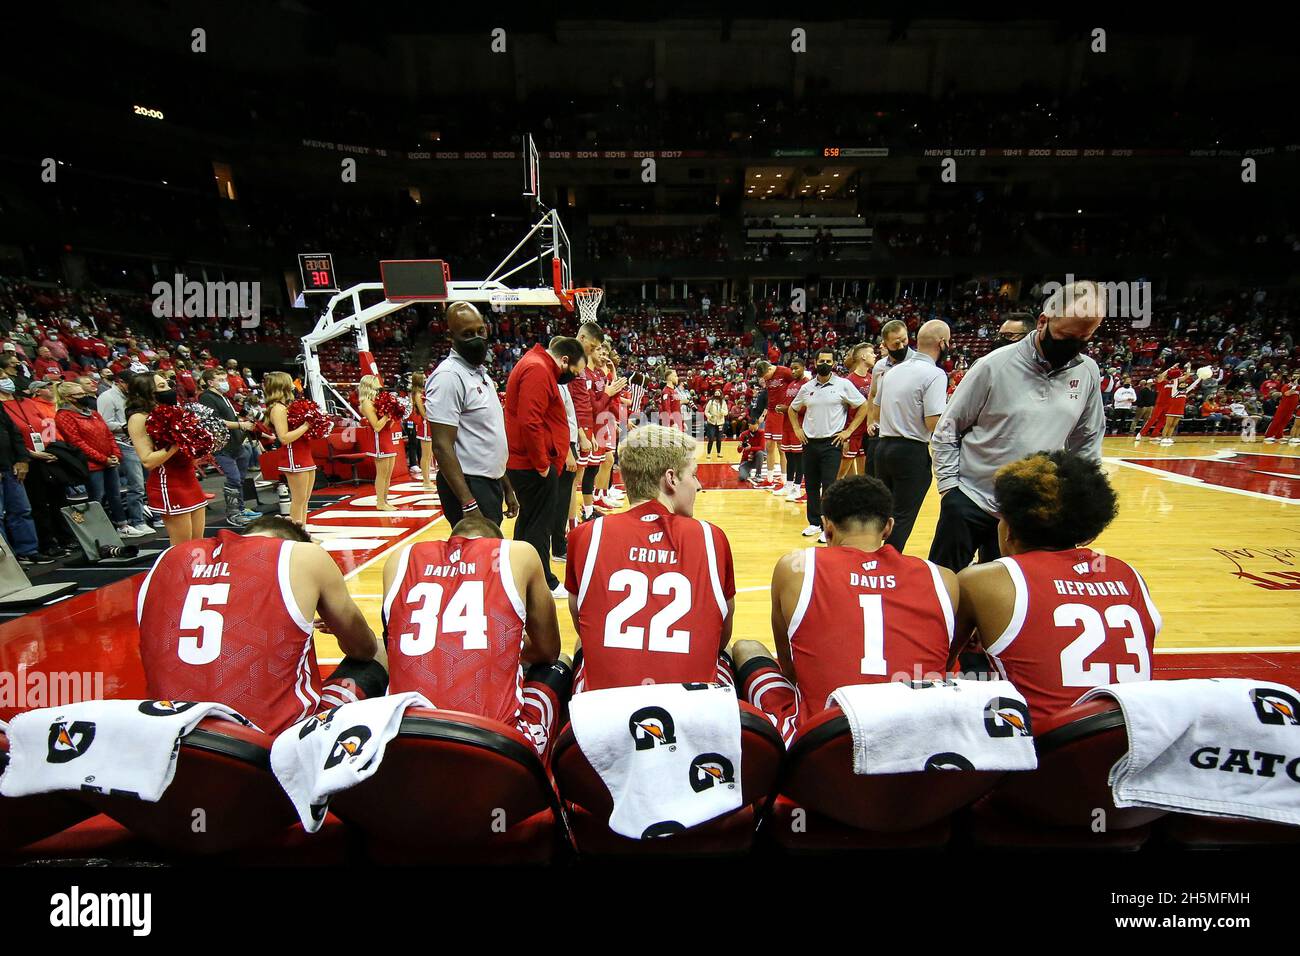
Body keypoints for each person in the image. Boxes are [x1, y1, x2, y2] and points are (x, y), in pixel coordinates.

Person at [731, 475, 958, 744]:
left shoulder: (796, 567)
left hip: (824, 743)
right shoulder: (943, 578)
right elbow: (944, 664)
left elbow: (791, 671)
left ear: (827, 527)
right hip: (917, 743)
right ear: (888, 528)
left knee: (745, 648)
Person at [953, 451, 1160, 727]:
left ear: (1009, 529)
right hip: (1134, 736)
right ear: (1089, 531)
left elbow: (938, 661)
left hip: (1043, 751)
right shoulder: (1128, 573)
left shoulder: (981, 580)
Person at [137, 515, 387, 735]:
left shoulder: (169, 557)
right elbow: (362, 649)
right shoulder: (304, 555)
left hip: (173, 739)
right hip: (269, 747)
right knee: (380, 649)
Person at [928, 280, 1106, 572]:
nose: (1072, 346)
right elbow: (948, 429)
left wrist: (1083, 502)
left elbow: (1086, 442)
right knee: (944, 586)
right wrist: (950, 491)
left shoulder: (1087, 372)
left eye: (1083, 338)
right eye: (1065, 336)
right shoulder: (993, 365)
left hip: (1032, 509)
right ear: (1043, 321)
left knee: (1015, 595)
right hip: (972, 498)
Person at [381, 512, 572, 759]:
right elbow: (548, 651)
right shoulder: (518, 553)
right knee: (562, 662)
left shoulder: (399, 558)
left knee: (377, 651)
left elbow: (391, 646)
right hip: (493, 748)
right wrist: (502, 644)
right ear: (496, 541)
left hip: (403, 740)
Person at [565, 424, 736, 692]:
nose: (699, 485)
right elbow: (720, 637)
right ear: (671, 479)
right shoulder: (711, 537)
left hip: (606, 716)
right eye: (693, 474)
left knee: (577, 651)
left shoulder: (585, 535)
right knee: (734, 656)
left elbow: (583, 626)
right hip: (688, 715)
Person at [505, 336, 586, 596]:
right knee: (540, 524)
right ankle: (544, 584)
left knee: (530, 520)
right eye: (573, 372)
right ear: (564, 360)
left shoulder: (536, 364)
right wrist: (542, 464)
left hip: (530, 461)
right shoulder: (538, 369)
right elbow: (531, 421)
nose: (572, 377)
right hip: (532, 463)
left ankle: (520, 575)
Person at [426, 302, 517, 527]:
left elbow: (489, 436)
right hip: (468, 484)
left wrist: (506, 487)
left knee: (489, 552)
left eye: (480, 331)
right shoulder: (448, 377)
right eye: (467, 334)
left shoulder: (479, 375)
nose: (477, 338)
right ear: (451, 336)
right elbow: (441, 446)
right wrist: (468, 503)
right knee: (479, 556)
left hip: (488, 481)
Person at [873, 320, 950, 553]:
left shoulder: (892, 371)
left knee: (881, 512)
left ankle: (867, 559)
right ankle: (888, 564)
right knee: (903, 515)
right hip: (910, 450)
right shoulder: (935, 374)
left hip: (882, 447)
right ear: (943, 343)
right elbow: (933, 422)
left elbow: (876, 412)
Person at [788, 349, 870, 542]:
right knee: (811, 485)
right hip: (809, 442)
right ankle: (814, 523)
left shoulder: (843, 385)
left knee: (829, 485)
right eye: (821, 360)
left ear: (834, 363)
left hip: (832, 442)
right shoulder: (807, 387)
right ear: (815, 362)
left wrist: (848, 431)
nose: (824, 363)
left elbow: (863, 406)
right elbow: (792, 410)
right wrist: (797, 430)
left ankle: (829, 525)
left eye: (828, 360)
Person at [53, 381, 143, 538]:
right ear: (68, 397)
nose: (85, 396)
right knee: (96, 498)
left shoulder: (93, 413)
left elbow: (108, 434)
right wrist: (103, 459)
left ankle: (122, 525)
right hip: (91, 464)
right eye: (79, 394)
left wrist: (115, 455)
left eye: (83, 392)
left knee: (114, 494)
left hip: (109, 460)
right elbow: (77, 443)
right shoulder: (64, 416)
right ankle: (97, 533)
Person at [128, 372, 208, 546]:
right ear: (147, 392)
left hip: (189, 479)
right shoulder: (138, 418)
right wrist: (179, 440)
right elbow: (148, 460)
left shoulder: (175, 412)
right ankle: (175, 574)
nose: (170, 390)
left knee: (198, 544)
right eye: (162, 387)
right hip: (169, 484)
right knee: (182, 547)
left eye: (168, 385)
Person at [196, 367, 260, 528]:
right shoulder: (206, 398)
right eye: (221, 380)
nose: (225, 383)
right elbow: (215, 421)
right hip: (222, 446)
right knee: (234, 478)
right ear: (210, 382)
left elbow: (228, 417)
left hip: (237, 444)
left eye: (225, 379)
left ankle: (240, 508)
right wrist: (241, 424)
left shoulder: (223, 397)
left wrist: (243, 420)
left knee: (240, 479)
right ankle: (233, 514)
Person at [0, 371, 48, 566]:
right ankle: (7, 560)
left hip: (10, 466)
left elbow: (14, 433)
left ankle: (27, 550)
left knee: (21, 510)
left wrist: (22, 459)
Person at [97, 368, 150, 532]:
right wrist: (127, 427)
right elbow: (104, 423)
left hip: (140, 441)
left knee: (148, 483)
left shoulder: (133, 396)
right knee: (137, 485)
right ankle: (137, 520)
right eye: (131, 384)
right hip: (123, 443)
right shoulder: (107, 397)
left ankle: (151, 517)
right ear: (120, 382)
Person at [262, 371, 315, 526]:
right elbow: (284, 438)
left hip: (304, 453)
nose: (293, 384)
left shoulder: (287, 405)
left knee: (305, 499)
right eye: (290, 381)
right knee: (298, 500)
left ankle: (303, 530)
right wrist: (307, 425)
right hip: (293, 456)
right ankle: (295, 534)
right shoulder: (277, 408)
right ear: (283, 385)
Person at [864, 320, 915, 477]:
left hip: (906, 434)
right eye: (895, 343)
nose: (901, 346)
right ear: (885, 344)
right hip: (881, 432)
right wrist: (870, 422)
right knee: (873, 480)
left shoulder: (917, 363)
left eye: (904, 340)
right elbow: (872, 394)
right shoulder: (879, 366)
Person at [358, 374, 399, 512]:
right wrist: (387, 415)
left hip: (387, 438)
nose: (379, 386)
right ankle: (380, 502)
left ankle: (385, 501)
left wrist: (393, 415)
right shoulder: (366, 403)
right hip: (378, 440)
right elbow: (376, 426)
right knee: (382, 473)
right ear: (370, 385)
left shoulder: (377, 401)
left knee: (388, 474)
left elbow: (388, 425)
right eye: (376, 383)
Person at [755, 360, 796, 487]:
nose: (764, 379)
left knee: (781, 448)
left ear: (769, 369)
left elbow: (798, 383)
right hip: (771, 413)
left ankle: (784, 480)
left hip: (781, 413)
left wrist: (790, 404)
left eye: (765, 376)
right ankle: (769, 478)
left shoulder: (784, 371)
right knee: (769, 446)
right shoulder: (767, 378)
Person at [838, 343, 876, 478]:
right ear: (863, 357)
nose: (874, 355)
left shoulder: (872, 378)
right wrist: (846, 434)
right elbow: (844, 410)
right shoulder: (849, 381)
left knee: (864, 474)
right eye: (871, 353)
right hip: (853, 432)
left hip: (867, 432)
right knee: (841, 474)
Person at [776, 358, 808, 500]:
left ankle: (797, 488)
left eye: (796, 368)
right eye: (792, 369)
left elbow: (805, 407)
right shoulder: (792, 384)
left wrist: (786, 408)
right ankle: (788, 485)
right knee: (789, 456)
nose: (793, 371)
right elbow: (790, 404)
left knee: (798, 458)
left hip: (799, 425)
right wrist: (782, 408)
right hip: (787, 425)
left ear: (803, 368)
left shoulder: (806, 384)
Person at [409, 370, 434, 491]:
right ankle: (426, 481)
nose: (425, 379)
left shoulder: (420, 393)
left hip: (428, 424)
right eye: (423, 378)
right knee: (426, 455)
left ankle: (427, 479)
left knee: (429, 455)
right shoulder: (417, 395)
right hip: (424, 424)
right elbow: (423, 414)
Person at [737, 418, 765, 485]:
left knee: (760, 453)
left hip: (756, 460)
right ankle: (746, 471)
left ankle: (758, 474)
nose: (753, 430)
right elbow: (739, 451)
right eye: (751, 427)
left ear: (758, 425)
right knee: (742, 478)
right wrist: (740, 446)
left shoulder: (761, 433)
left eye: (754, 428)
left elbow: (762, 447)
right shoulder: (744, 434)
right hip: (746, 460)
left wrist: (750, 448)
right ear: (749, 425)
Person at [704, 388, 727, 460]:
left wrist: (721, 411)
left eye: (718, 393)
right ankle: (708, 453)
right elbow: (706, 411)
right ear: (714, 394)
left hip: (720, 423)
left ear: (720, 394)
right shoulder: (710, 402)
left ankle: (719, 453)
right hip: (712, 422)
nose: (717, 394)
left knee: (719, 439)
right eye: (716, 393)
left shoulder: (723, 402)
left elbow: (726, 412)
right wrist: (710, 416)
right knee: (711, 438)